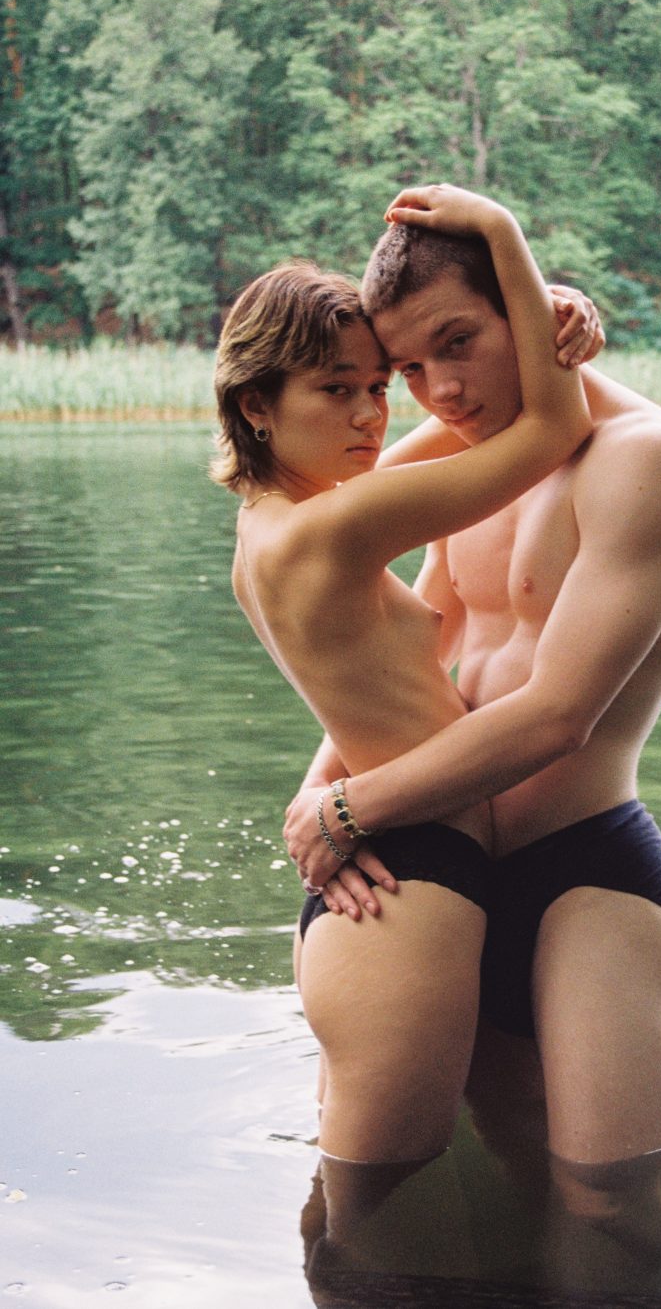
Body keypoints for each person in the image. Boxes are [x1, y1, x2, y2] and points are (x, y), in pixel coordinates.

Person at [284, 182, 661, 1177]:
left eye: (462, 343)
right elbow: (409, 648)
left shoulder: (646, 462)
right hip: (425, 852)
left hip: (583, 876)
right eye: (410, 368)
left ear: (526, 307)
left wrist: (347, 808)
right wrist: (321, 791)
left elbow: (559, 714)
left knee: (611, 1216)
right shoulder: (475, 459)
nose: (443, 391)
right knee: (369, 1189)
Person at [211, 185, 593, 1168]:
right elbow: (547, 432)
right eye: (335, 389)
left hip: (380, 868)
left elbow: (471, 433)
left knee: (361, 1215)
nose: (373, 413)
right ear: (258, 403)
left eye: (380, 385)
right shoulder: (336, 527)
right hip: (404, 892)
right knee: (375, 1229)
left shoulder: (280, 524)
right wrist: (504, 235)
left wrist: (545, 312)